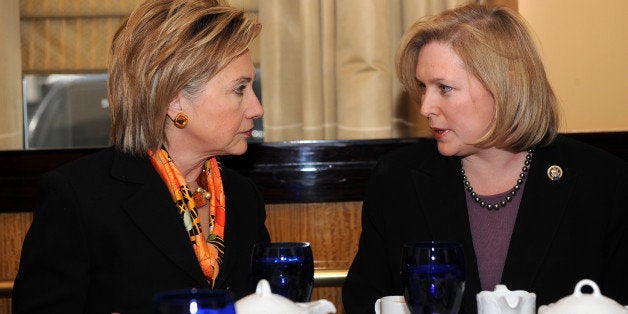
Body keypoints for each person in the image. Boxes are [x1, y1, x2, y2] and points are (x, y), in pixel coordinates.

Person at [342, 3, 628, 313]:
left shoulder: (602, 184)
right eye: (423, 87)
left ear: (505, 86)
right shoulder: (397, 181)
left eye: (444, 88)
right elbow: (364, 301)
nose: (425, 107)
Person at [12, 0, 270, 312]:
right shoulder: (79, 198)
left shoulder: (244, 197)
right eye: (240, 89)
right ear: (174, 101)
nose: (257, 109)